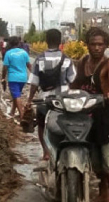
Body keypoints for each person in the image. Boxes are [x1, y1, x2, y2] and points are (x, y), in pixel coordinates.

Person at [70, 27, 109, 202]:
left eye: (101, 44)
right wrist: (66, 93)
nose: (97, 48)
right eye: (93, 44)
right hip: (85, 117)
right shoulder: (83, 62)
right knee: (95, 160)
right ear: (87, 45)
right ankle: (102, 190)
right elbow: (75, 83)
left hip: (104, 116)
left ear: (106, 45)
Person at [26, 29, 77, 160]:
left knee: (41, 124)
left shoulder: (39, 59)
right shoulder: (67, 60)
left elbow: (34, 83)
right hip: (63, 100)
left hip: (44, 100)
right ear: (60, 42)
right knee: (65, 122)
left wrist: (29, 100)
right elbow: (73, 80)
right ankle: (64, 149)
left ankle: (46, 152)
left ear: (46, 41)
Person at [2, 36, 31, 119]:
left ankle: (22, 116)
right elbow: (29, 65)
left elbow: (5, 67)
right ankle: (12, 112)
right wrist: (33, 75)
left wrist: (3, 78)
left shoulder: (8, 53)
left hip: (13, 78)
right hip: (23, 78)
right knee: (16, 95)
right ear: (18, 43)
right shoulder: (24, 53)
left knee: (16, 96)